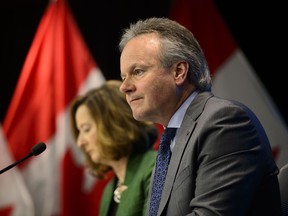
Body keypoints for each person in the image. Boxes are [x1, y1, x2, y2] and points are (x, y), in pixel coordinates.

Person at [118, 17, 281, 216]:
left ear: (178, 72)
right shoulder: (170, 142)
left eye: (138, 71)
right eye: (123, 77)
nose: (124, 87)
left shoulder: (224, 122)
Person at [69, 80, 158, 216]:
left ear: (114, 124)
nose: (80, 142)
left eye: (86, 129)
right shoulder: (109, 190)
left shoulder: (155, 168)